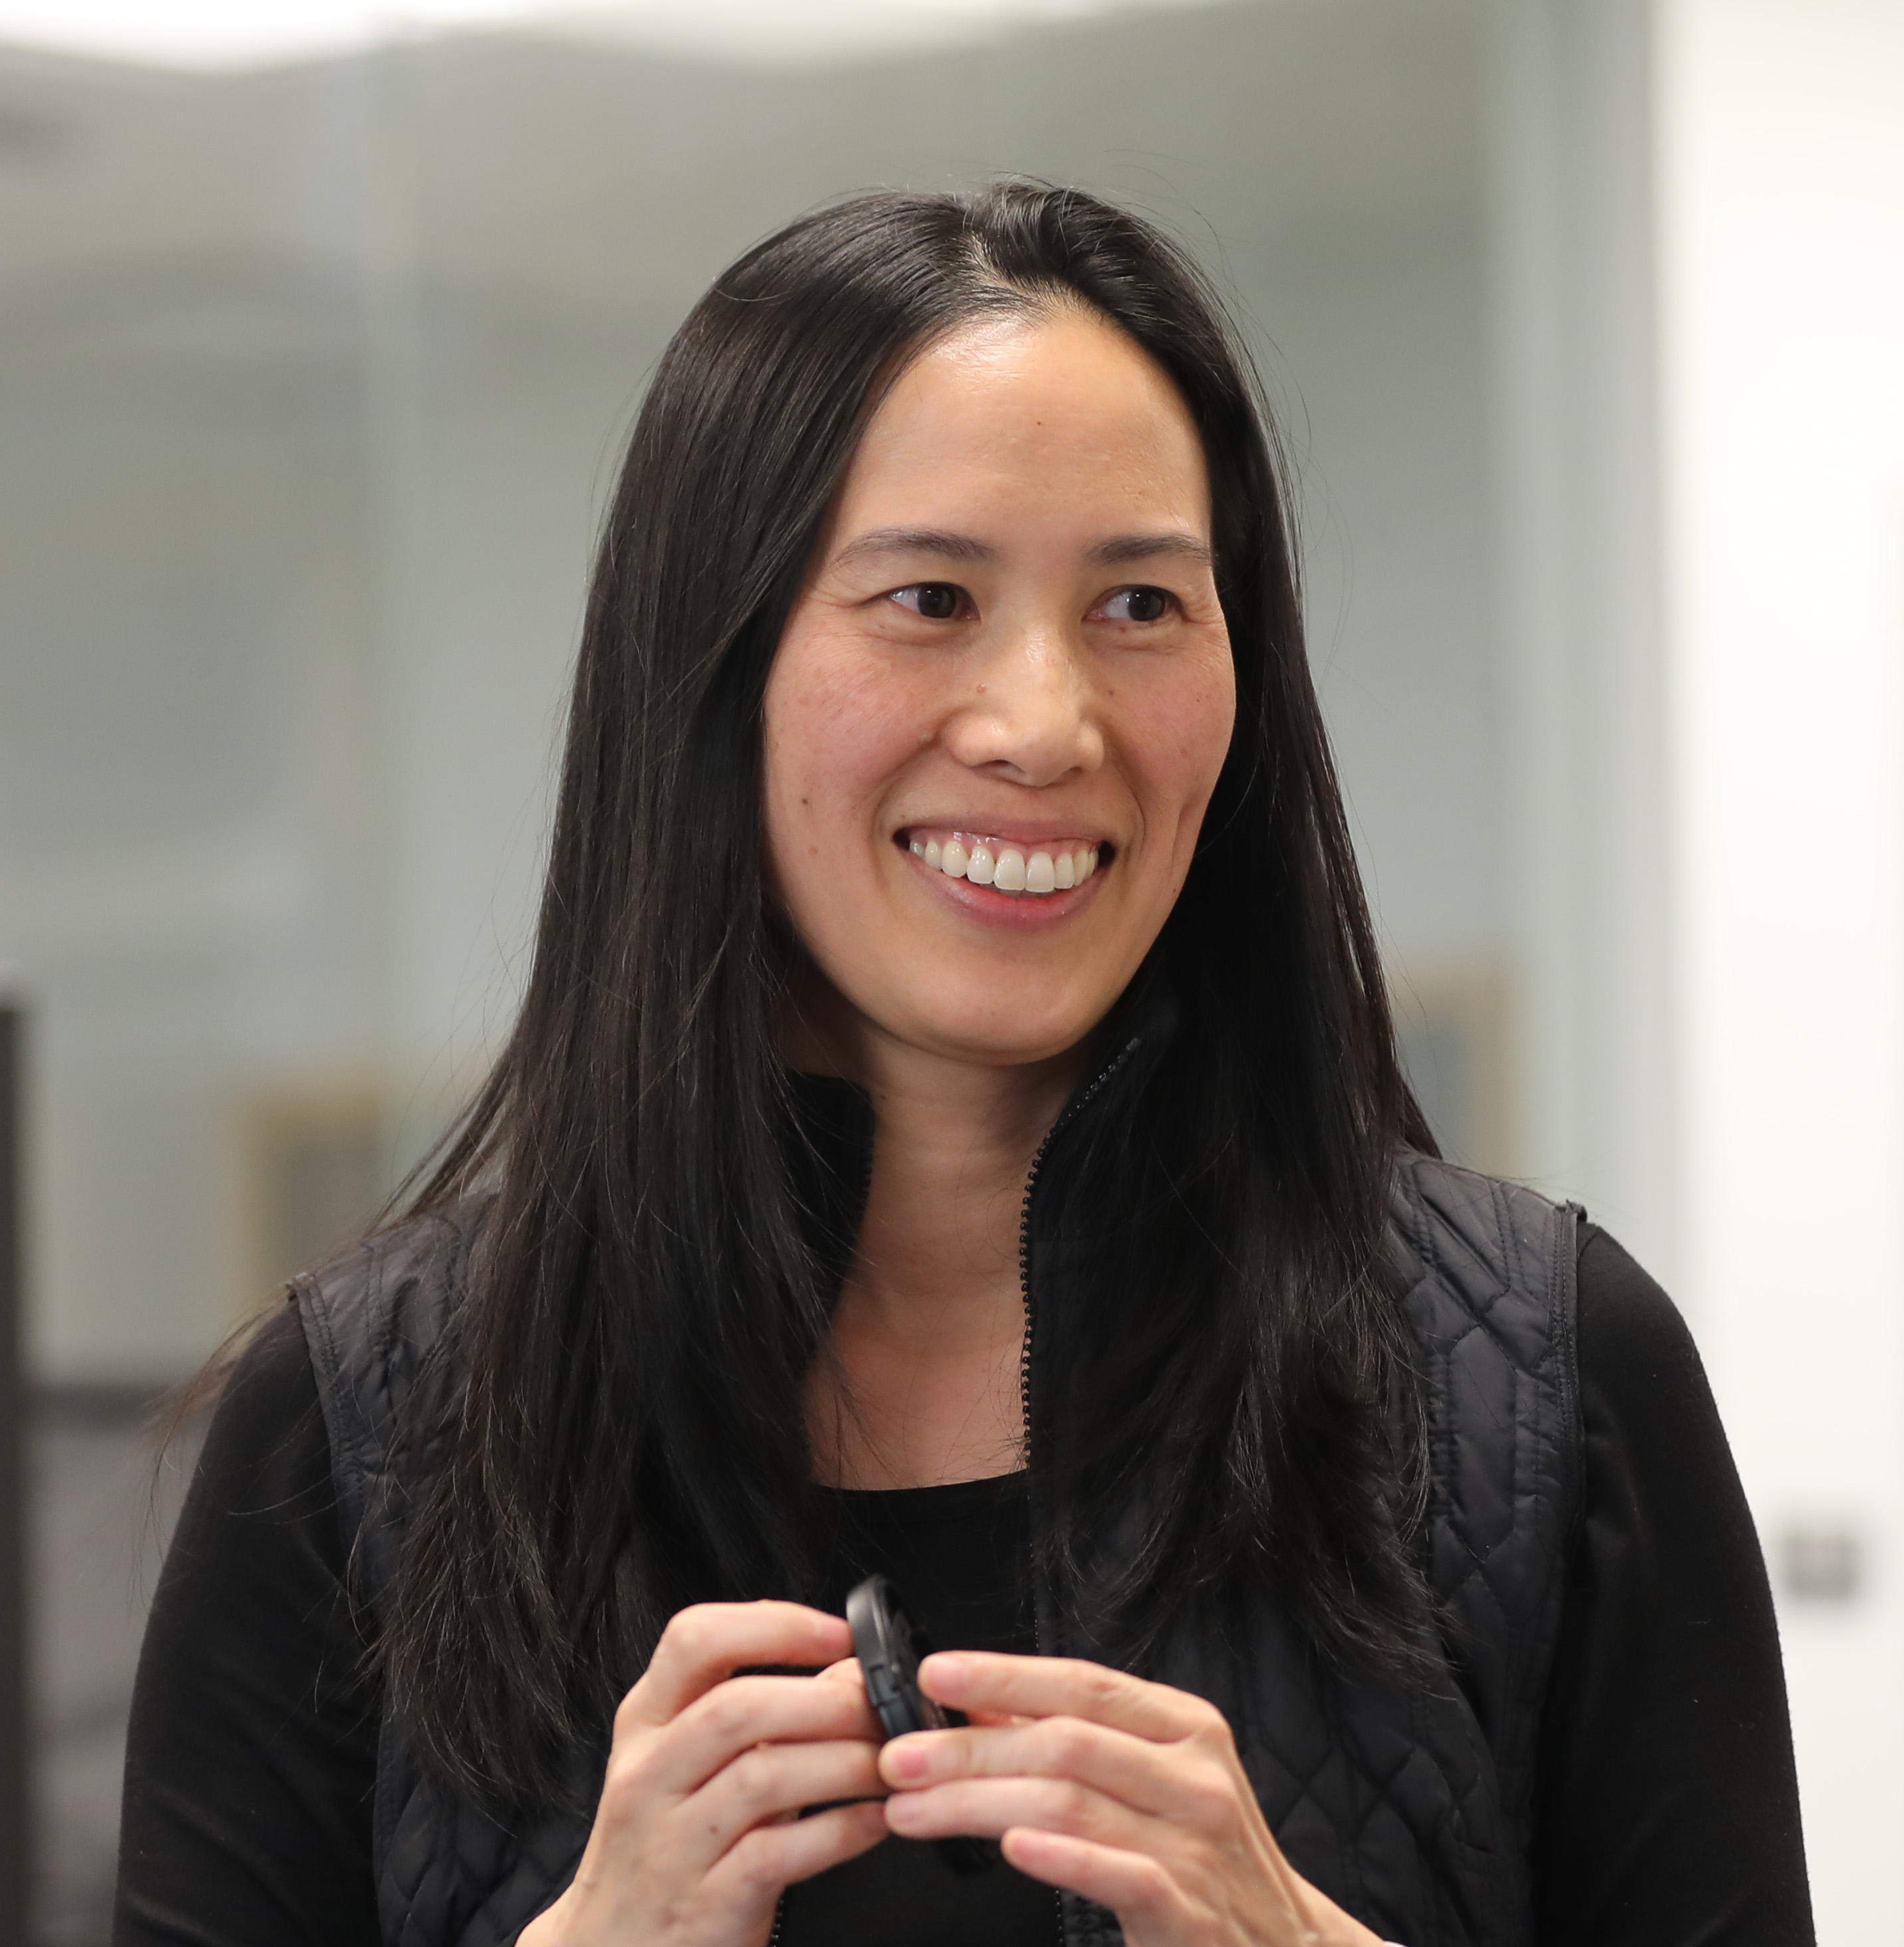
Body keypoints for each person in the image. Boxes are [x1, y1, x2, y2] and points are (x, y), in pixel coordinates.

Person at [114, 183, 1812, 1947]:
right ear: (715, 669)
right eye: (928, 595)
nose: (1041, 721)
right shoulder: (362, 1428)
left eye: (1141, 605)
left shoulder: (1543, 1377)